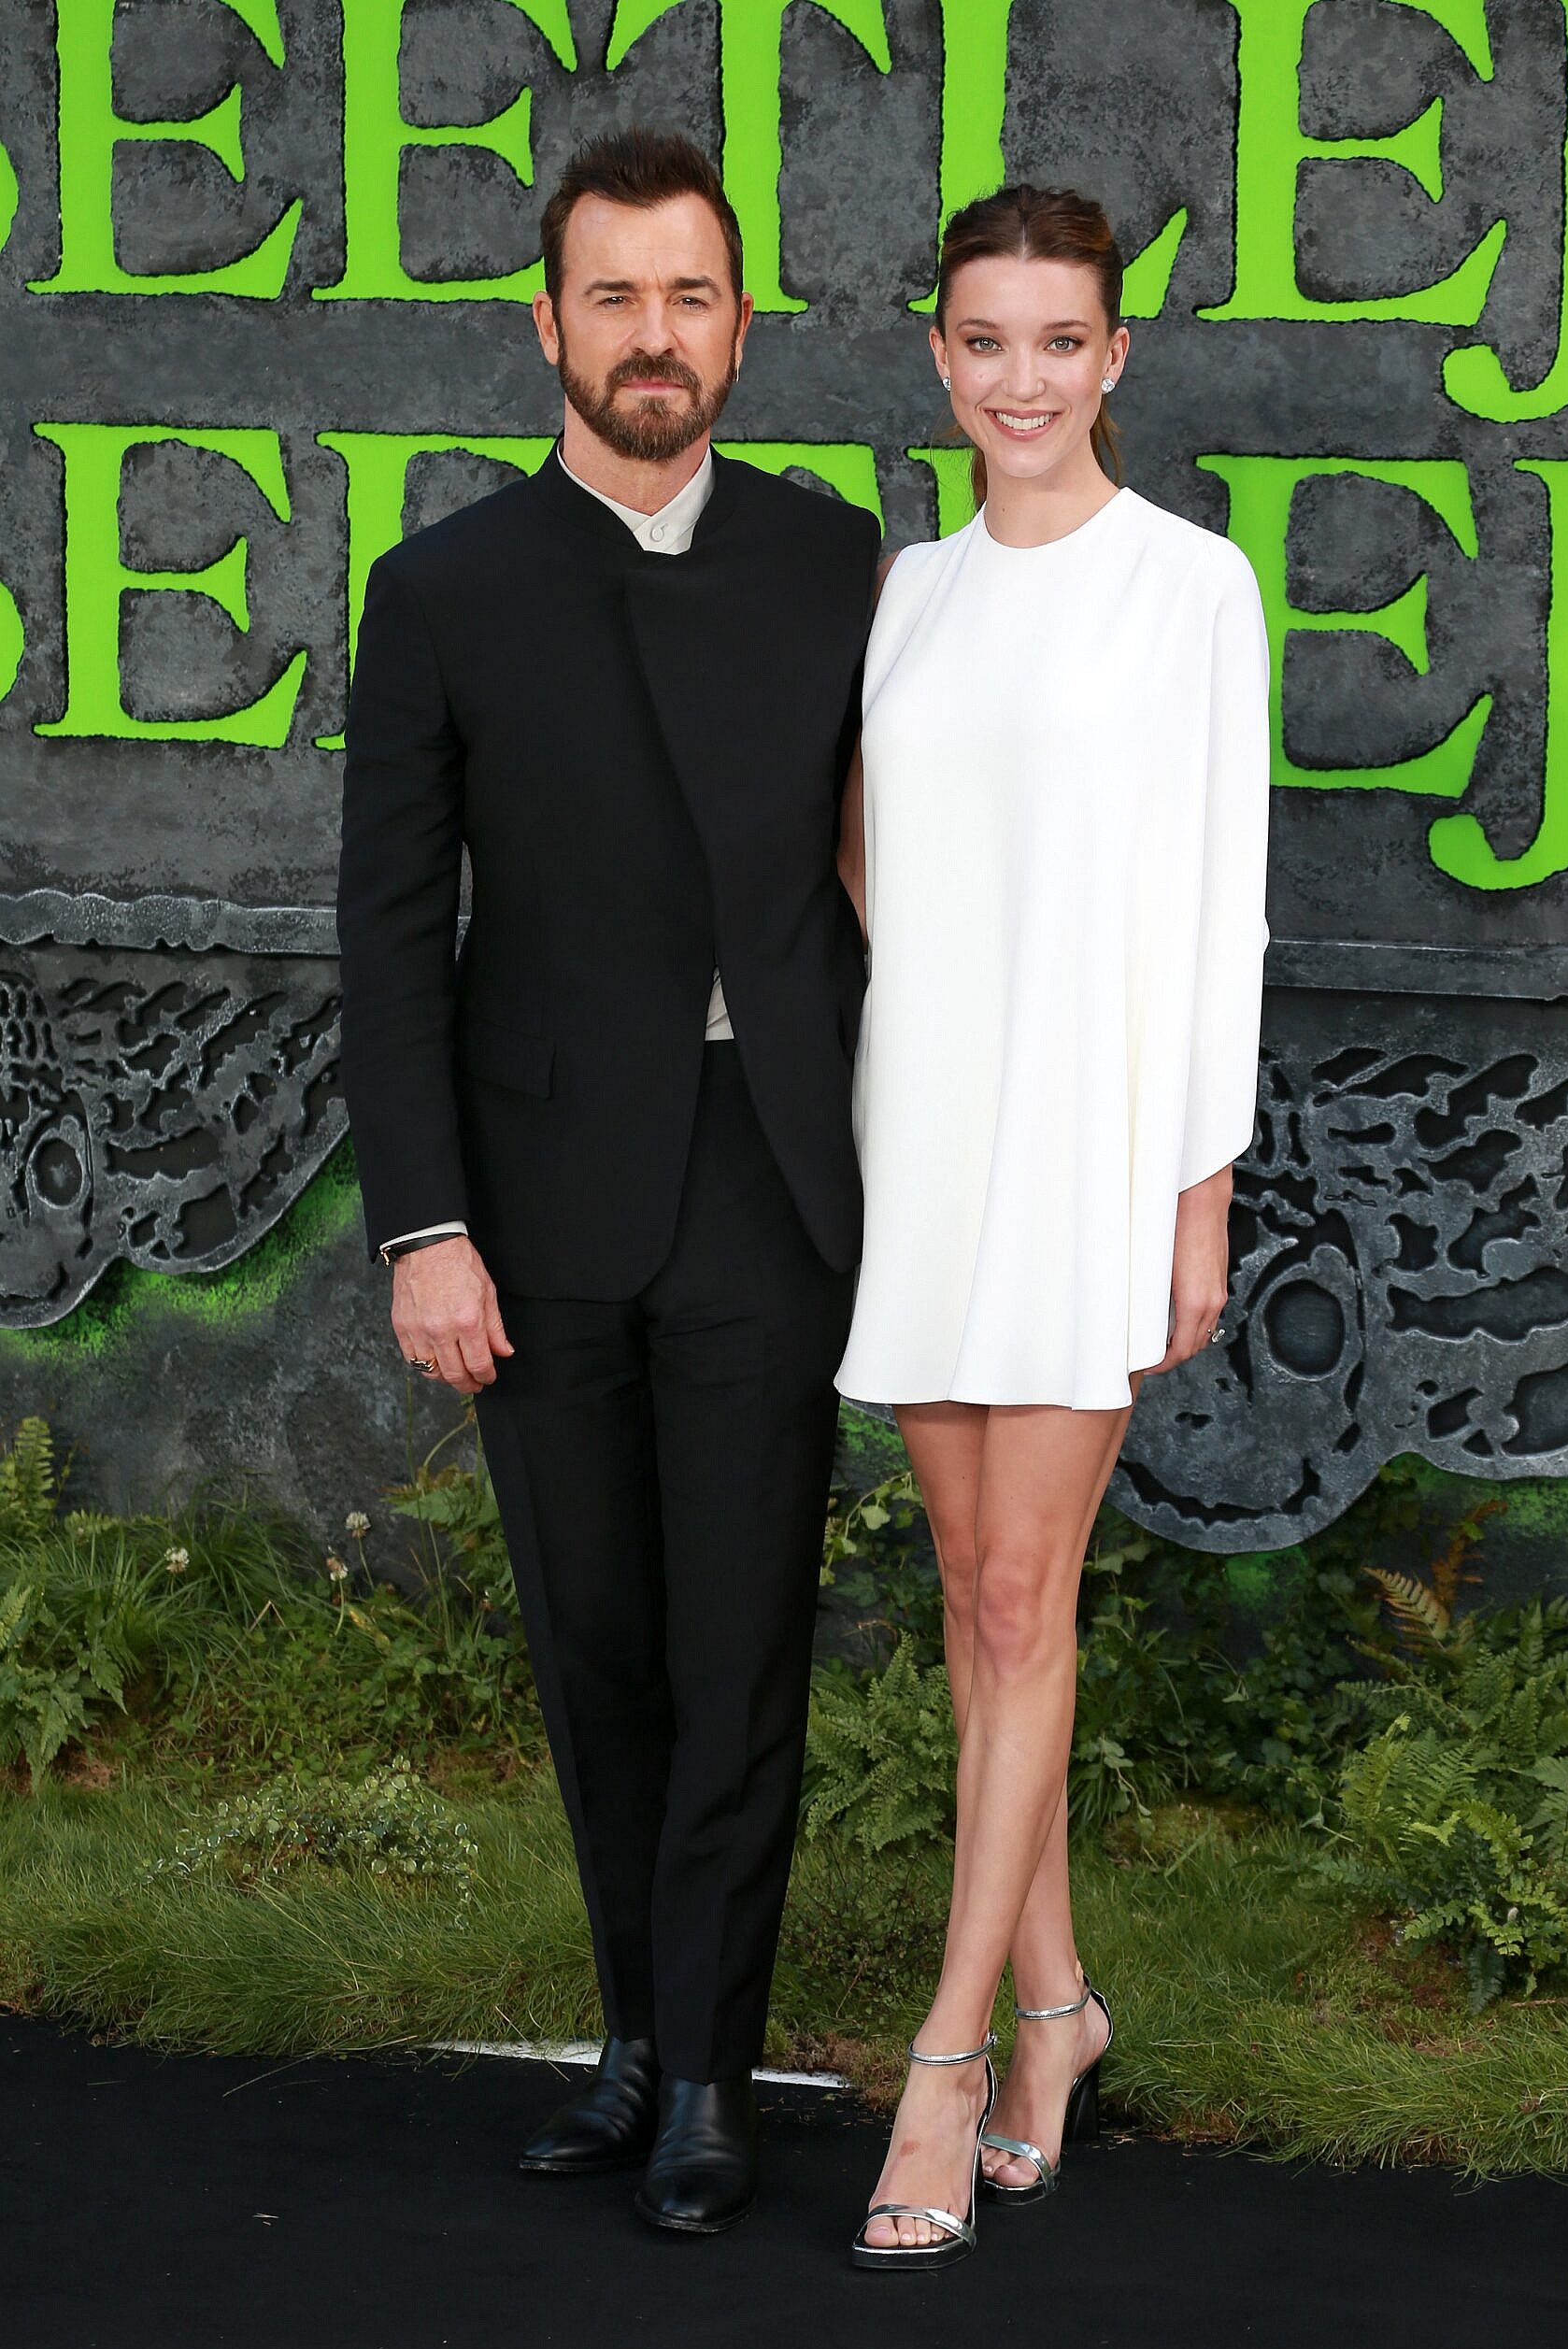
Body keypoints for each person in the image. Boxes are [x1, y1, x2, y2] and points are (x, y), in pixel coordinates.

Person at [335, 128, 879, 2236]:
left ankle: (712, 2082)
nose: (652, 338)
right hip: (533, 1207)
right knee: (597, 1647)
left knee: (740, 1647)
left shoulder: (842, 564)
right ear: (545, 323)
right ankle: (635, 2038)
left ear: (738, 323)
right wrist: (422, 1221)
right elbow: (391, 932)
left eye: (687, 296)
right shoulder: (446, 587)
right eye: (612, 297)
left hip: (760, 1184)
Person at [834, 184, 1271, 2270]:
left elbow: (1220, 900)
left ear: (1116, 357)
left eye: (1058, 340)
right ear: (940, 356)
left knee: (1023, 1600)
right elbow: (857, 840)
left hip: (1092, 1154)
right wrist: (941, 1000)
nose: (1020, 377)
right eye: (982, 340)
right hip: (924, 1143)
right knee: (970, 1598)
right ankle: (1058, 2008)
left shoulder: (1187, 588)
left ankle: (943, 2061)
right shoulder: (905, 590)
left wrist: (1193, 1187)